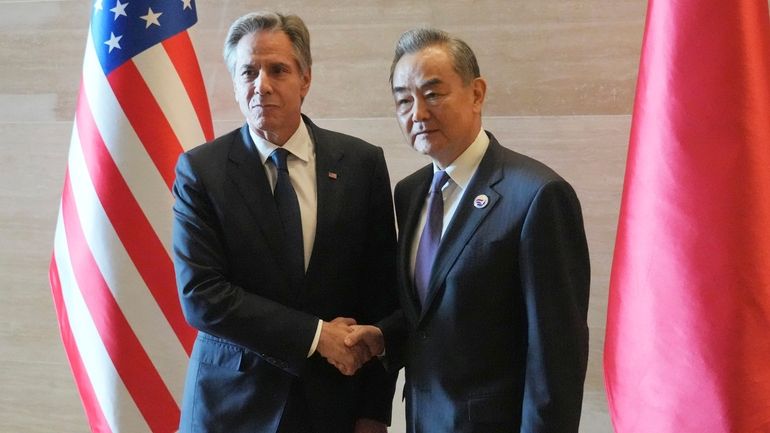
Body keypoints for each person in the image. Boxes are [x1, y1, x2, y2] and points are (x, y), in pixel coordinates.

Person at [346, 28, 591, 432]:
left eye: (433, 94)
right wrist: (385, 335)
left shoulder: (536, 196)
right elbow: (434, 314)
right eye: (404, 100)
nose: (418, 113)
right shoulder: (410, 193)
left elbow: (556, 358)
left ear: (476, 94)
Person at [172, 11, 398, 433]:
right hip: (230, 407)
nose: (262, 85)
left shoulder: (362, 165)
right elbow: (201, 294)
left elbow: (381, 295)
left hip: (333, 406)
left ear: (305, 79)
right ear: (236, 83)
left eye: (278, 69)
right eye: (248, 72)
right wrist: (316, 336)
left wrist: (373, 413)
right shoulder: (201, 171)